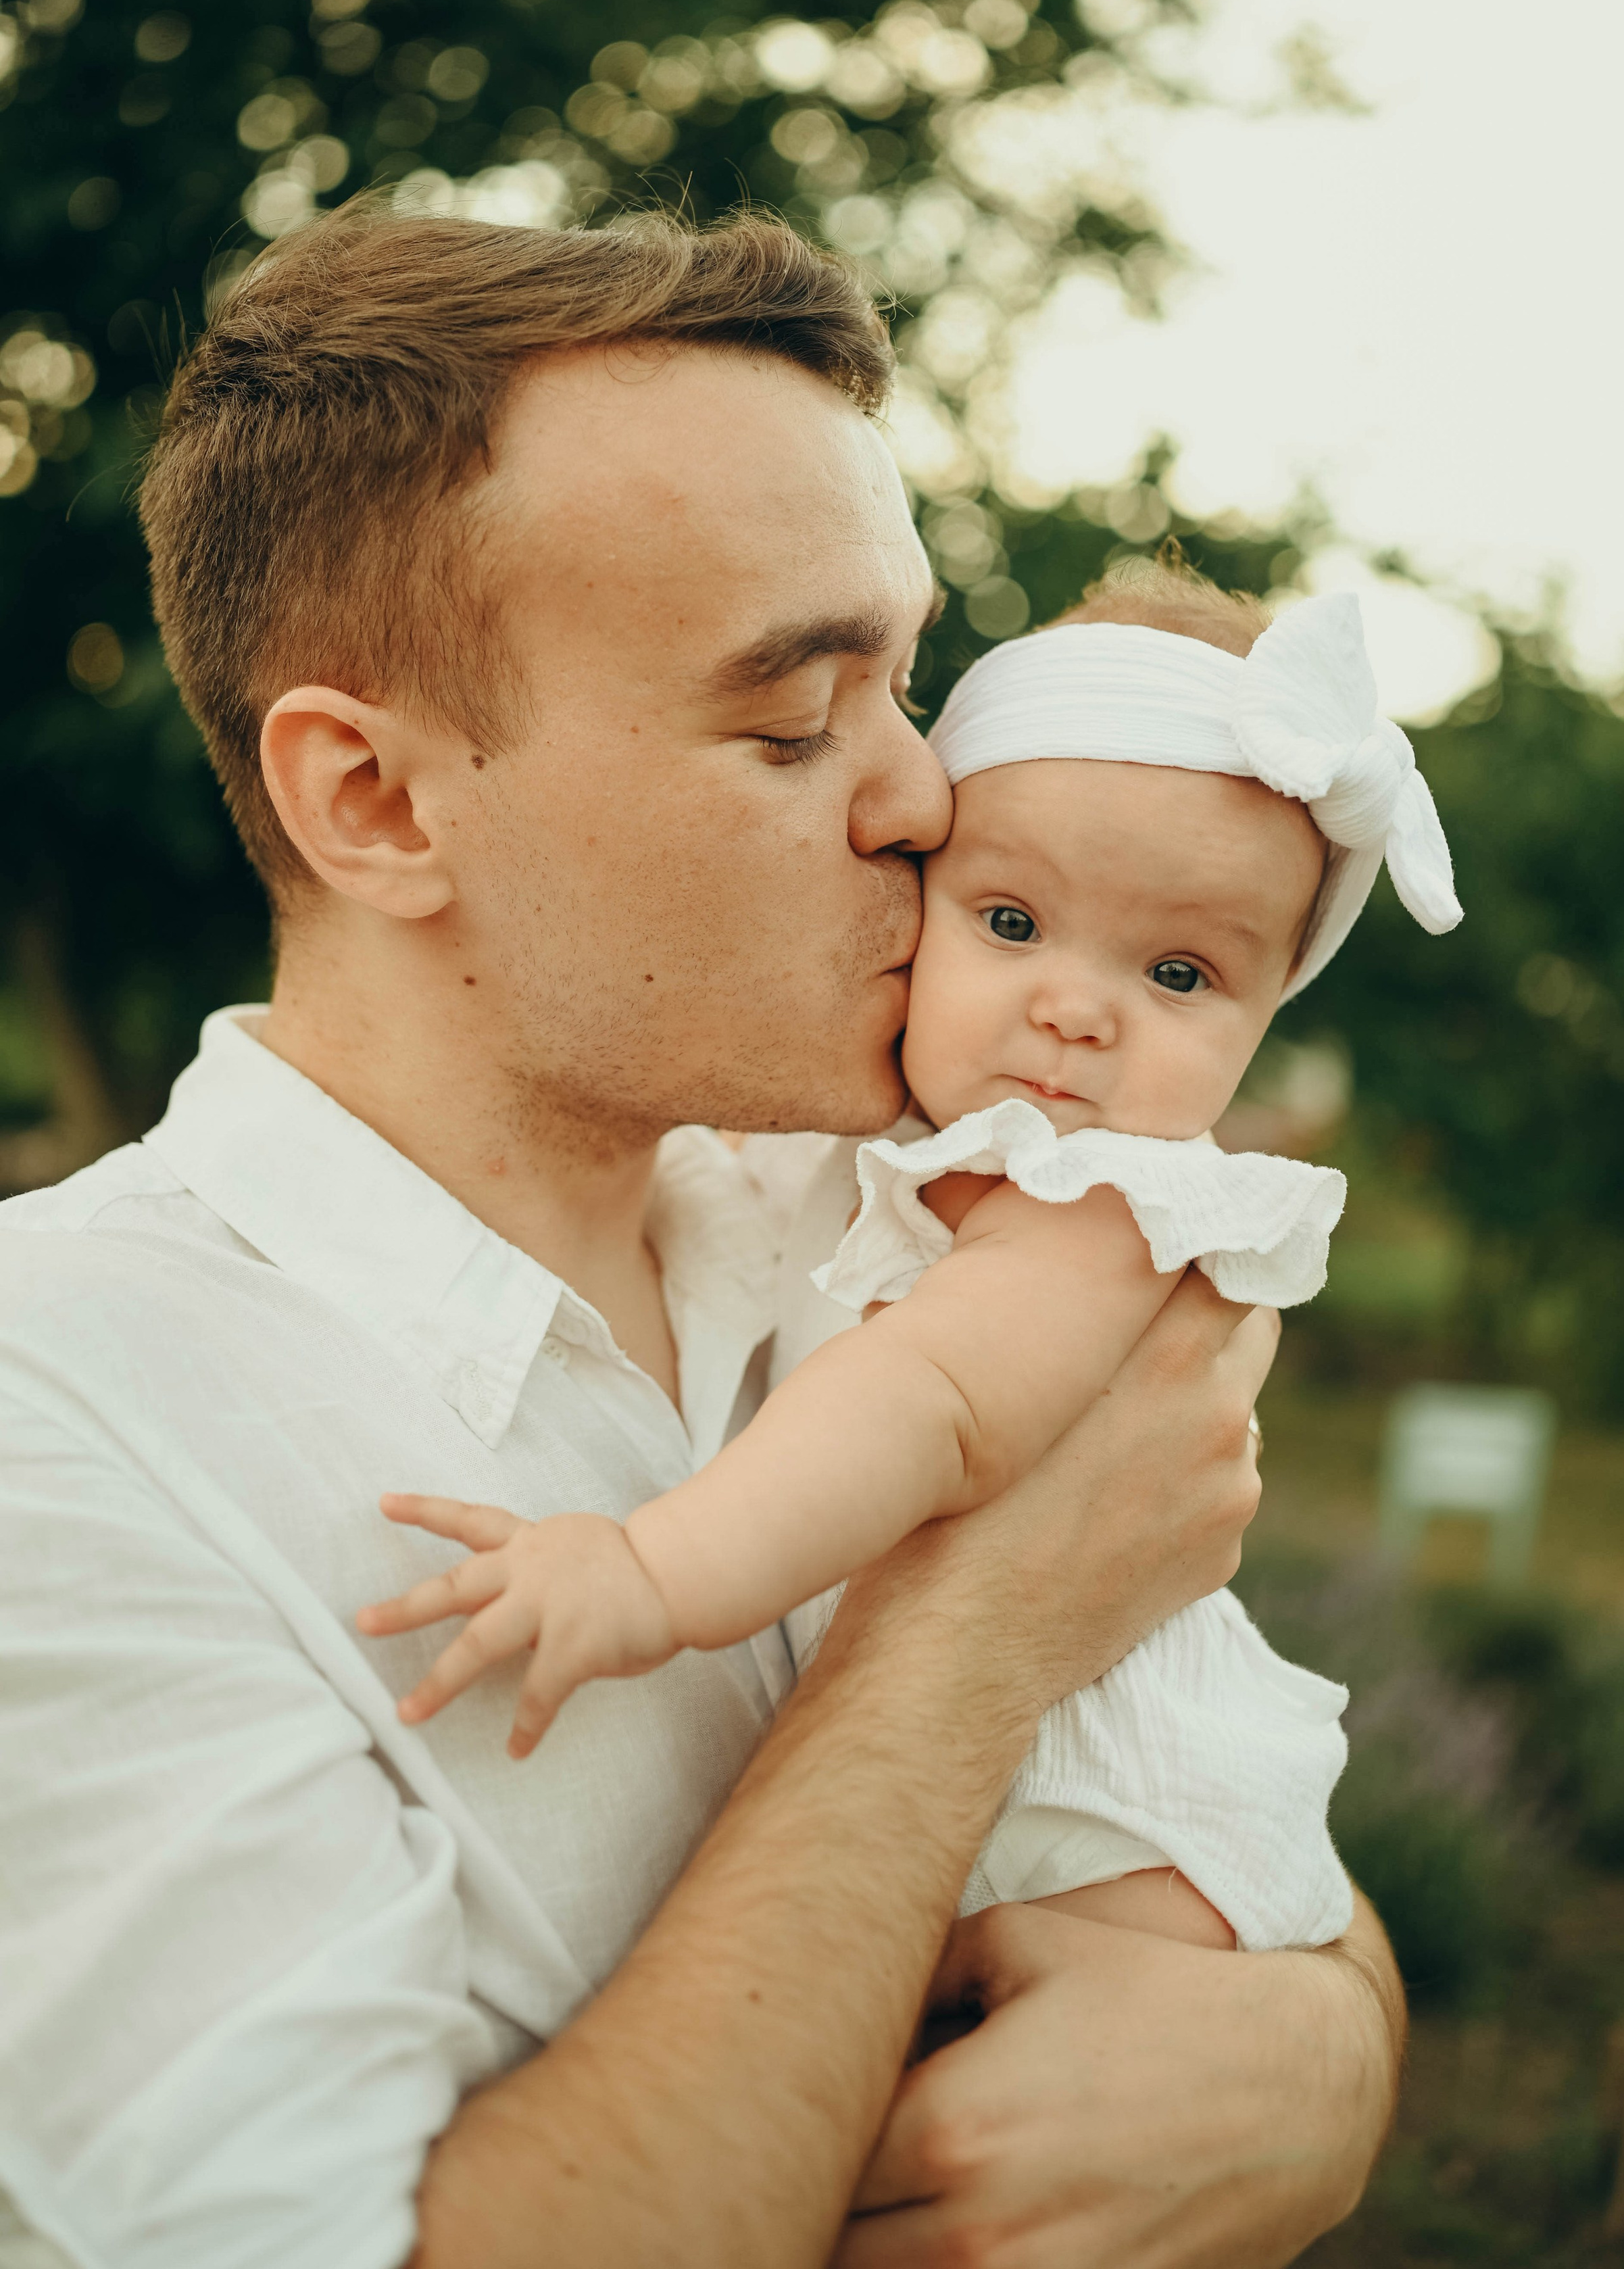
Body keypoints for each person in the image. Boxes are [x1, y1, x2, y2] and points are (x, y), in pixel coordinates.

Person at [0, 205, 1404, 2269]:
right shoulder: (66, 1427)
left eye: (908, 682)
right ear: (379, 802)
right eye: (792, 717)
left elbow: (1194, 1767)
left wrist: (1336, 2047)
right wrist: (965, 1636)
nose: (929, 797)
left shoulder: (873, 1217)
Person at [355, 568, 1460, 1966]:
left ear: (1270, 1007)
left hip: (1094, 1835)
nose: (1074, 1010)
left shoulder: (1098, 1201)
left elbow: (933, 1394)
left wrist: (649, 1570)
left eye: (1177, 974)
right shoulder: (877, 1140)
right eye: (1010, 923)